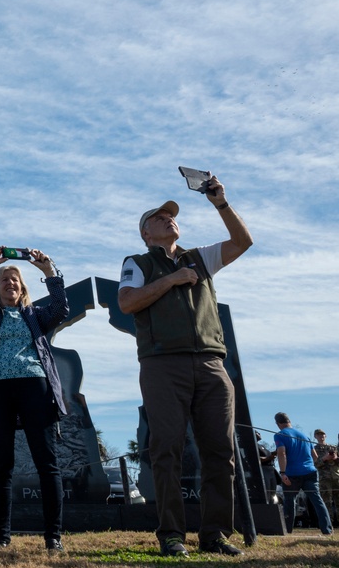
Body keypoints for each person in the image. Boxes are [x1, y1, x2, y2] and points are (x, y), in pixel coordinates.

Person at [117, 177, 252, 557]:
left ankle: (215, 535)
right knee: (167, 450)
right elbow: (127, 303)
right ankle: (172, 535)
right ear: (146, 233)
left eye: (171, 216)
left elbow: (243, 243)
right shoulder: (138, 262)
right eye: (159, 217)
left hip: (211, 363)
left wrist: (221, 203)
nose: (168, 219)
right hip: (163, 365)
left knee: (220, 452)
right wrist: (173, 279)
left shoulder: (200, 257)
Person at [0, 247, 69, 553]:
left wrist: (49, 272)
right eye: (4, 279)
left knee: (47, 464)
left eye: (15, 279)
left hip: (36, 388)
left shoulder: (36, 315)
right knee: (1, 466)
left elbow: (61, 308)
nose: (10, 283)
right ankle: (2, 538)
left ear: (22, 288)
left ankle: (53, 537)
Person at [275, 413, 333, 535]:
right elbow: (315, 457)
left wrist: (283, 472)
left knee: (290, 502)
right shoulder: (305, 435)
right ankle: (327, 530)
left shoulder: (279, 435)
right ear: (289, 421)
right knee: (317, 501)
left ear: (278, 424)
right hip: (310, 472)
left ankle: (287, 531)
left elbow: (282, 453)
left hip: (291, 474)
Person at [313, 429, 339, 524]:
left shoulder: (333, 448)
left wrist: (335, 458)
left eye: (323, 434)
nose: (321, 436)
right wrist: (324, 458)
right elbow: (315, 464)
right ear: (315, 436)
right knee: (326, 502)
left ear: (326, 436)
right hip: (324, 478)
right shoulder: (314, 449)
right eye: (319, 435)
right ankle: (329, 524)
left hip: (336, 477)